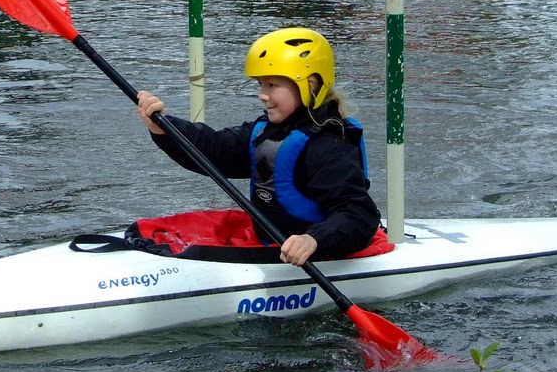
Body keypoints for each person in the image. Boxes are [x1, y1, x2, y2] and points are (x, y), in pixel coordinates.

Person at [133, 27, 383, 267]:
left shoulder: (329, 145)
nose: (262, 94)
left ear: (310, 85)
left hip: (316, 251)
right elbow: (214, 149)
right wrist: (164, 127)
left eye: (272, 85)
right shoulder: (266, 131)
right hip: (269, 241)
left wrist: (313, 240)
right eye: (260, 84)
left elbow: (358, 213)